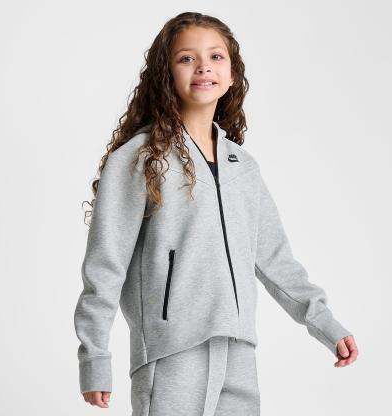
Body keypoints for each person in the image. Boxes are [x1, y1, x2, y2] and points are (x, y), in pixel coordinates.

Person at [73, 11, 359, 415]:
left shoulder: (242, 166)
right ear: (165, 74)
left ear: (232, 73)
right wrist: (95, 358)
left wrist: (325, 323)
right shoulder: (139, 159)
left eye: (216, 56)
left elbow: (275, 259)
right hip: (171, 350)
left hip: (238, 349)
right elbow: (105, 266)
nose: (203, 67)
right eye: (186, 58)